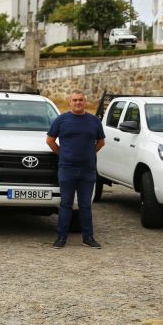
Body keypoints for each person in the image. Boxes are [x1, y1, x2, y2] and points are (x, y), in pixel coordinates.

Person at [46, 89, 105, 249]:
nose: (78, 102)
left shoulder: (94, 121)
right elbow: (50, 141)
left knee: (85, 205)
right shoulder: (61, 120)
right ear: (69, 102)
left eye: (80, 100)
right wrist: (62, 153)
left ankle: (88, 238)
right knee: (65, 204)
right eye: (75, 100)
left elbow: (101, 142)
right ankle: (61, 238)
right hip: (67, 169)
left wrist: (89, 154)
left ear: (85, 102)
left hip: (88, 170)